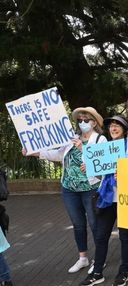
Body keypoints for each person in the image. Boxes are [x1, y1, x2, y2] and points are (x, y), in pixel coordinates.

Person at [22, 107, 107, 273]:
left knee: (94, 223)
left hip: (90, 189)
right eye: (80, 120)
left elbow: (101, 162)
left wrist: (83, 148)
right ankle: (83, 258)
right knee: (78, 224)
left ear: (94, 122)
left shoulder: (100, 140)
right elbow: (57, 155)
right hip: (69, 189)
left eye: (86, 120)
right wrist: (32, 153)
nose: (82, 123)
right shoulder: (71, 138)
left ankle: (100, 259)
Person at [79, 115, 128, 286]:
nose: (114, 128)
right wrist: (90, 167)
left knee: (125, 236)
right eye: (111, 126)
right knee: (101, 236)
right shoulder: (105, 148)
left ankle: (123, 272)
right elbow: (100, 175)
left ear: (124, 129)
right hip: (107, 198)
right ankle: (97, 273)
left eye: (118, 125)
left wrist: (124, 173)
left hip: (125, 198)